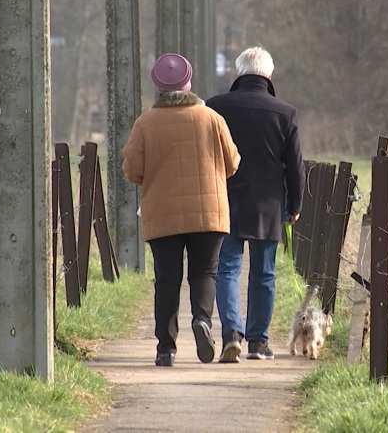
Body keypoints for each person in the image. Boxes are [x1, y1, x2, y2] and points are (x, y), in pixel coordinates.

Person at [122, 53, 241, 367]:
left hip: (163, 213)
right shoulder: (212, 118)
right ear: (189, 85)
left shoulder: (145, 123)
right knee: (204, 273)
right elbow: (232, 163)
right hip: (209, 211)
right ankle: (202, 320)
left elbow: (132, 170)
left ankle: (166, 348)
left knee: (167, 279)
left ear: (158, 88)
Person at [206, 46, 305, 362]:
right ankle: (258, 342)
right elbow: (295, 165)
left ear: (238, 73)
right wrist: (295, 204)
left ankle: (231, 334)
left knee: (227, 268)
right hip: (268, 204)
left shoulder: (216, 107)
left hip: (224, 199)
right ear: (269, 75)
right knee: (263, 273)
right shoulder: (284, 112)